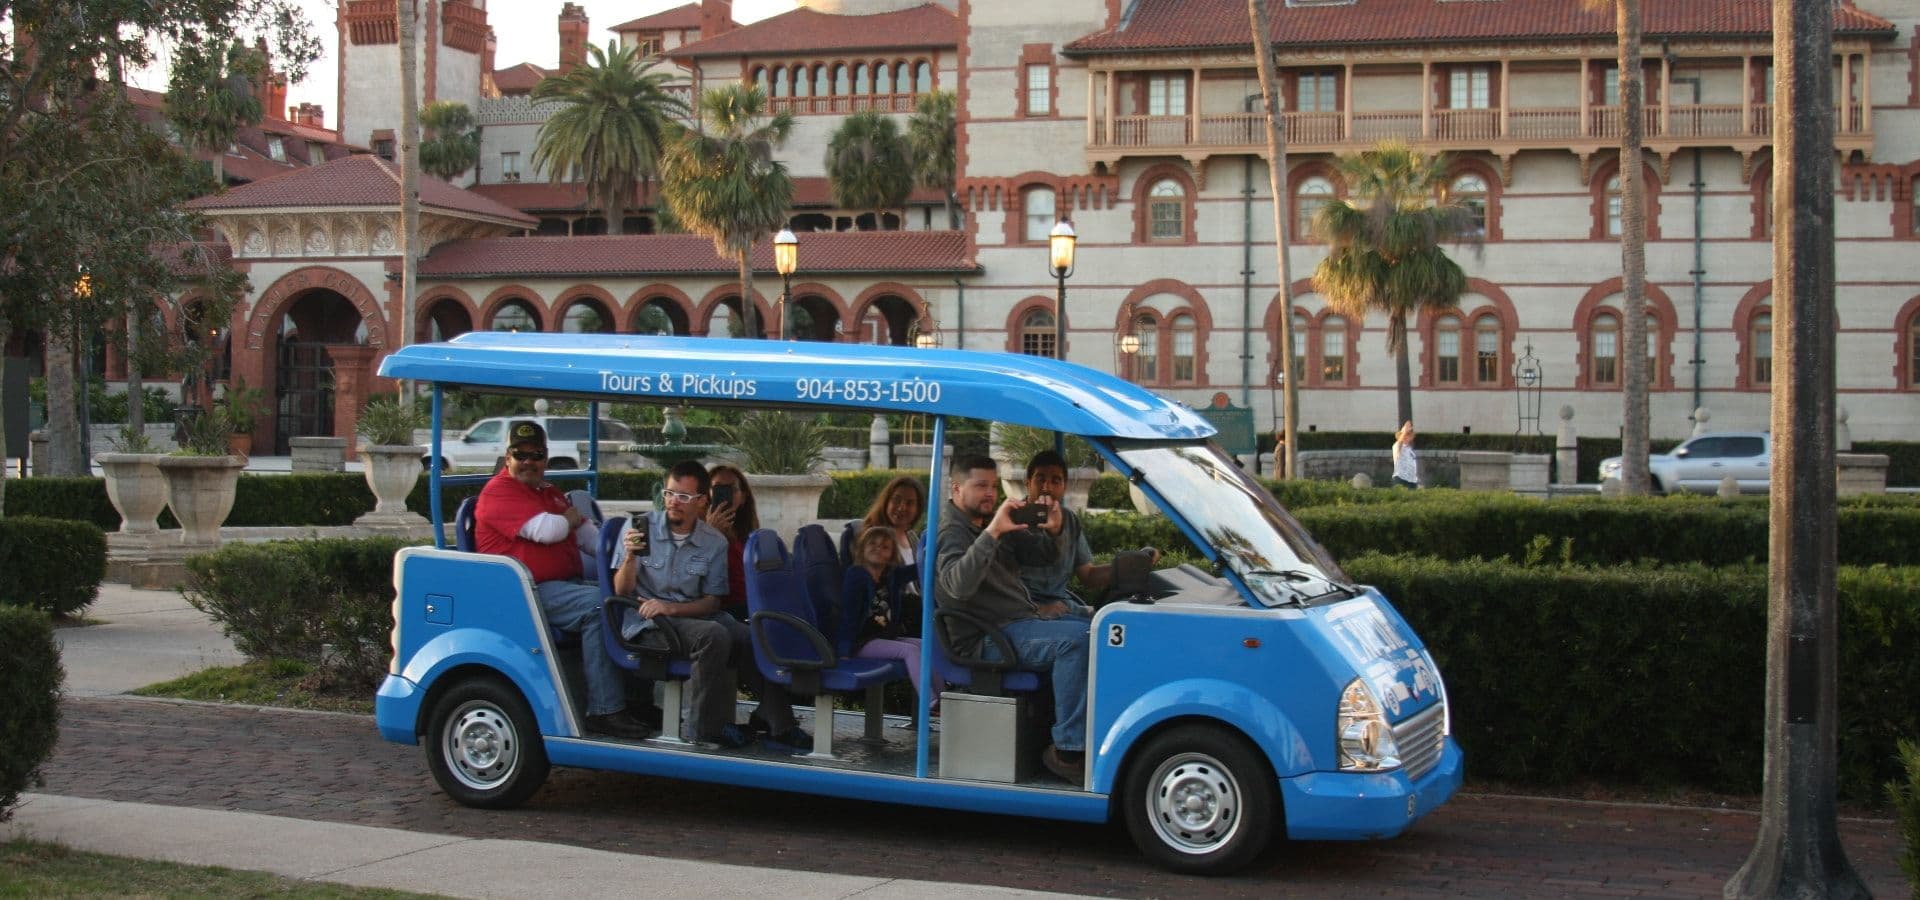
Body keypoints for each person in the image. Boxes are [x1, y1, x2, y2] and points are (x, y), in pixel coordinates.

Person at [472, 420, 653, 740]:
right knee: (601, 607)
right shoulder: (499, 491)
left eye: (537, 455)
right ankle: (604, 710)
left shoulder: (548, 492)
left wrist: (624, 549)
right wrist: (568, 520)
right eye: (521, 454)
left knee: (630, 598)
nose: (529, 462)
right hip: (525, 591)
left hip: (562, 585)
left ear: (546, 456)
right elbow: (547, 531)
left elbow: (589, 537)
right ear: (508, 455)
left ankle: (635, 700)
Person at [610, 460, 808, 751]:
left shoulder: (713, 541)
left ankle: (778, 720)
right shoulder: (641, 527)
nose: (674, 502)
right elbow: (621, 591)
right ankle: (701, 730)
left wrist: (670, 607)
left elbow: (711, 601)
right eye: (670, 494)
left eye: (685, 497)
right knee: (713, 636)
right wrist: (629, 557)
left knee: (750, 635)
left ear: (703, 501)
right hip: (647, 623)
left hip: (684, 614)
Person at [934, 454, 1092, 784]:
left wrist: (1055, 529)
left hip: (1017, 625)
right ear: (956, 488)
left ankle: (1082, 735)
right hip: (986, 637)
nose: (990, 494)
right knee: (1077, 642)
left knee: (1098, 631)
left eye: (993, 486)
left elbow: (1043, 555)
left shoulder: (991, 520)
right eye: (980, 486)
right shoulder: (951, 531)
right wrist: (992, 533)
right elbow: (955, 588)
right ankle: (1067, 751)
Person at [1017, 450, 1157, 611]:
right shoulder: (1012, 518)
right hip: (1024, 612)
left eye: (1056, 481)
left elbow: (1088, 576)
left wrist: (1132, 565)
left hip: (1064, 607)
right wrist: (1041, 608)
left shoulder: (1069, 520)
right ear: (1027, 483)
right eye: (1040, 479)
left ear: (1064, 487)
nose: (1046, 487)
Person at [843, 525, 929, 715]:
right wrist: (844, 650)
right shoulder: (856, 576)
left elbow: (917, 569)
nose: (877, 548)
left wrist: (931, 549)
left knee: (927, 646)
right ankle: (931, 702)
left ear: (891, 555)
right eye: (872, 544)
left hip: (884, 637)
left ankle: (944, 699)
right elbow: (848, 616)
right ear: (862, 548)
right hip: (862, 642)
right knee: (910, 651)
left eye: (884, 547)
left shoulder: (890, 576)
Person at [703, 463, 759, 621]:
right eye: (718, 488)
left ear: (743, 497)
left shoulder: (747, 533)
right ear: (706, 493)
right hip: (721, 609)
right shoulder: (695, 530)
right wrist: (710, 534)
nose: (725, 494)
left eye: (732, 489)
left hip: (752, 603)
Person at [858, 475, 927, 569]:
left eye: (909, 503)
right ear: (886, 501)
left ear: (917, 509)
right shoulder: (873, 537)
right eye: (896, 500)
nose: (901, 507)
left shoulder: (912, 538)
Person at [1391, 421, 1420, 489]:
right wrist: (1405, 431)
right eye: (1404, 435)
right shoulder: (1396, 445)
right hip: (1401, 478)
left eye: (1408, 435)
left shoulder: (1410, 449)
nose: (1406, 436)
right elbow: (1400, 442)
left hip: (1412, 480)